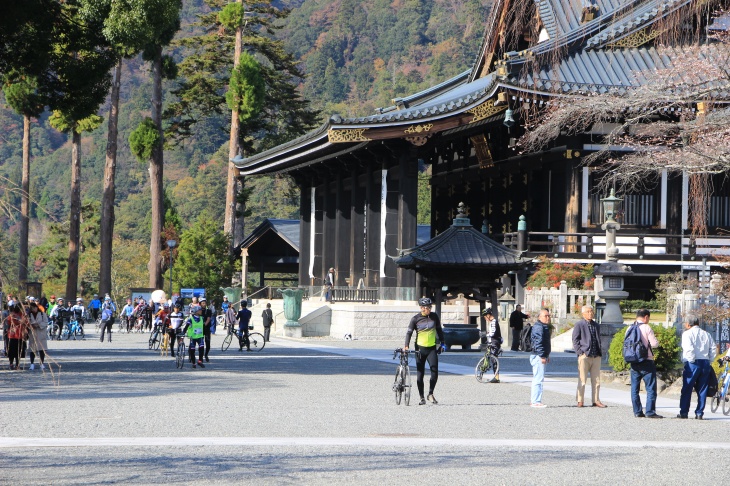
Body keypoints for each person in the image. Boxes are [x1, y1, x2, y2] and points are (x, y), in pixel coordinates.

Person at [404, 297, 445, 405]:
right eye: (428, 307)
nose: (430, 309)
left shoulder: (434, 316)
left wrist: (442, 343)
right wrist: (406, 346)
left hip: (432, 348)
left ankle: (430, 394)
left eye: (430, 307)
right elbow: (409, 333)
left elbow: (439, 330)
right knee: (420, 374)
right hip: (420, 349)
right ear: (422, 308)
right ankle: (421, 397)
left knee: (434, 372)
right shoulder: (415, 319)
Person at [678, 314, 716, 419]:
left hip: (693, 363)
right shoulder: (706, 334)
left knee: (687, 387)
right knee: (703, 388)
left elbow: (688, 349)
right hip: (705, 362)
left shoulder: (687, 334)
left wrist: (691, 360)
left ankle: (684, 412)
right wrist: (710, 360)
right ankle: (699, 413)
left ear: (688, 324)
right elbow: (713, 348)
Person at [627, 309, 663, 418]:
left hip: (633, 360)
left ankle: (637, 411)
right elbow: (654, 344)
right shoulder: (647, 327)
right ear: (646, 317)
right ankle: (650, 412)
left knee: (634, 388)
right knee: (651, 387)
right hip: (646, 360)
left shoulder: (630, 327)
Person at [572, 305, 606, 408]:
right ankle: (580, 400)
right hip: (585, 355)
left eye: (591, 311)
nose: (590, 313)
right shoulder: (579, 324)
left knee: (596, 380)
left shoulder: (596, 325)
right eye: (588, 312)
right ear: (583, 314)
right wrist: (580, 352)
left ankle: (596, 400)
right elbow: (575, 339)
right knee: (582, 379)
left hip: (596, 355)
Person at [530, 308, 551, 408]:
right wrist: (542, 355)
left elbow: (544, 343)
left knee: (539, 378)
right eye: (545, 316)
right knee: (538, 379)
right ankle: (535, 401)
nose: (548, 318)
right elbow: (538, 342)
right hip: (538, 355)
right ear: (539, 317)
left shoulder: (543, 326)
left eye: (548, 316)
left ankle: (536, 400)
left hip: (540, 355)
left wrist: (547, 355)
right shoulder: (539, 327)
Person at [5, 301, 28, 370]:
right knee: (11, 351)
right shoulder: (11, 315)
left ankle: (17, 364)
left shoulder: (23, 314)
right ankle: (11, 363)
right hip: (12, 335)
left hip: (20, 335)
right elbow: (9, 322)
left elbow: (26, 323)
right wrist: (16, 319)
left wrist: (22, 320)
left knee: (19, 351)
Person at [27, 299, 48, 370]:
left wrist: (38, 325)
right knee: (32, 349)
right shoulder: (29, 315)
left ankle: (42, 363)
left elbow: (46, 323)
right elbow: (26, 324)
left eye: (35, 308)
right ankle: (32, 364)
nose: (34, 310)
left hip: (41, 333)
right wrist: (31, 325)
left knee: (41, 349)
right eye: (32, 308)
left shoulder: (42, 314)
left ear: (37, 307)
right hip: (32, 334)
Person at [200, 297, 212, 362]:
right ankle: (200, 356)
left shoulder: (208, 311)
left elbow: (208, 319)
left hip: (206, 328)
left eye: (205, 303)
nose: (204, 304)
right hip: (200, 329)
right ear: (200, 304)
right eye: (203, 303)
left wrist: (204, 324)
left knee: (208, 343)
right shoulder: (198, 311)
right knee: (201, 344)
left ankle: (206, 354)